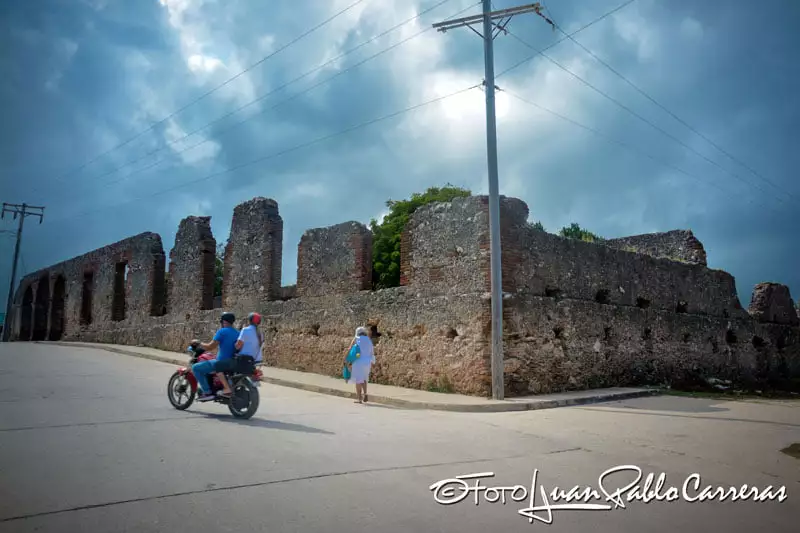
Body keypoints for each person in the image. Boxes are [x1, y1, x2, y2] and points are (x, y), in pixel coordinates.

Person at [192, 312, 239, 401]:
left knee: (195, 368)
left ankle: (207, 392)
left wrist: (199, 343)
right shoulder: (238, 332)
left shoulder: (222, 331)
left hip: (221, 362)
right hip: (232, 362)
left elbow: (210, 347)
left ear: (223, 321)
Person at [343, 326, 375, 404]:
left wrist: (345, 358)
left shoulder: (356, 339)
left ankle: (359, 399)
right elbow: (372, 353)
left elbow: (350, 348)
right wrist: (372, 362)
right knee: (364, 379)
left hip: (358, 362)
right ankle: (365, 394)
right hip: (367, 363)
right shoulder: (369, 341)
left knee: (358, 380)